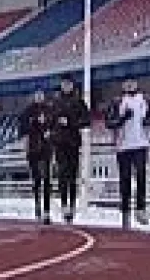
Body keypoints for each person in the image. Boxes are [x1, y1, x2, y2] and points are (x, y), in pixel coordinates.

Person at [105, 78, 150, 229]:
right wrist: (122, 118)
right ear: (122, 85)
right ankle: (125, 212)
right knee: (125, 179)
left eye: (132, 83)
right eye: (127, 83)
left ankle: (140, 209)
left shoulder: (145, 99)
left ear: (137, 84)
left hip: (140, 144)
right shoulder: (117, 101)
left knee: (141, 175)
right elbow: (109, 123)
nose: (130, 85)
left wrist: (147, 123)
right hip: (123, 146)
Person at [50, 74, 90, 224]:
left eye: (69, 84)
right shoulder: (55, 102)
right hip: (59, 143)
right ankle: (64, 204)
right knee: (62, 174)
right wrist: (52, 131)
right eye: (64, 84)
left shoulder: (79, 101)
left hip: (73, 142)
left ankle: (72, 206)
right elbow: (50, 121)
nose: (66, 86)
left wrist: (71, 122)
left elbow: (86, 120)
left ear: (72, 85)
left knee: (72, 175)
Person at [18, 90, 54, 224]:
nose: (39, 97)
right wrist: (34, 122)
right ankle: (37, 206)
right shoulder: (27, 111)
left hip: (46, 149)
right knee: (36, 180)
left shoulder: (49, 110)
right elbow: (22, 128)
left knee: (47, 179)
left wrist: (49, 130)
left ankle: (46, 211)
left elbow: (54, 126)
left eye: (41, 95)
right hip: (33, 150)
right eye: (37, 95)